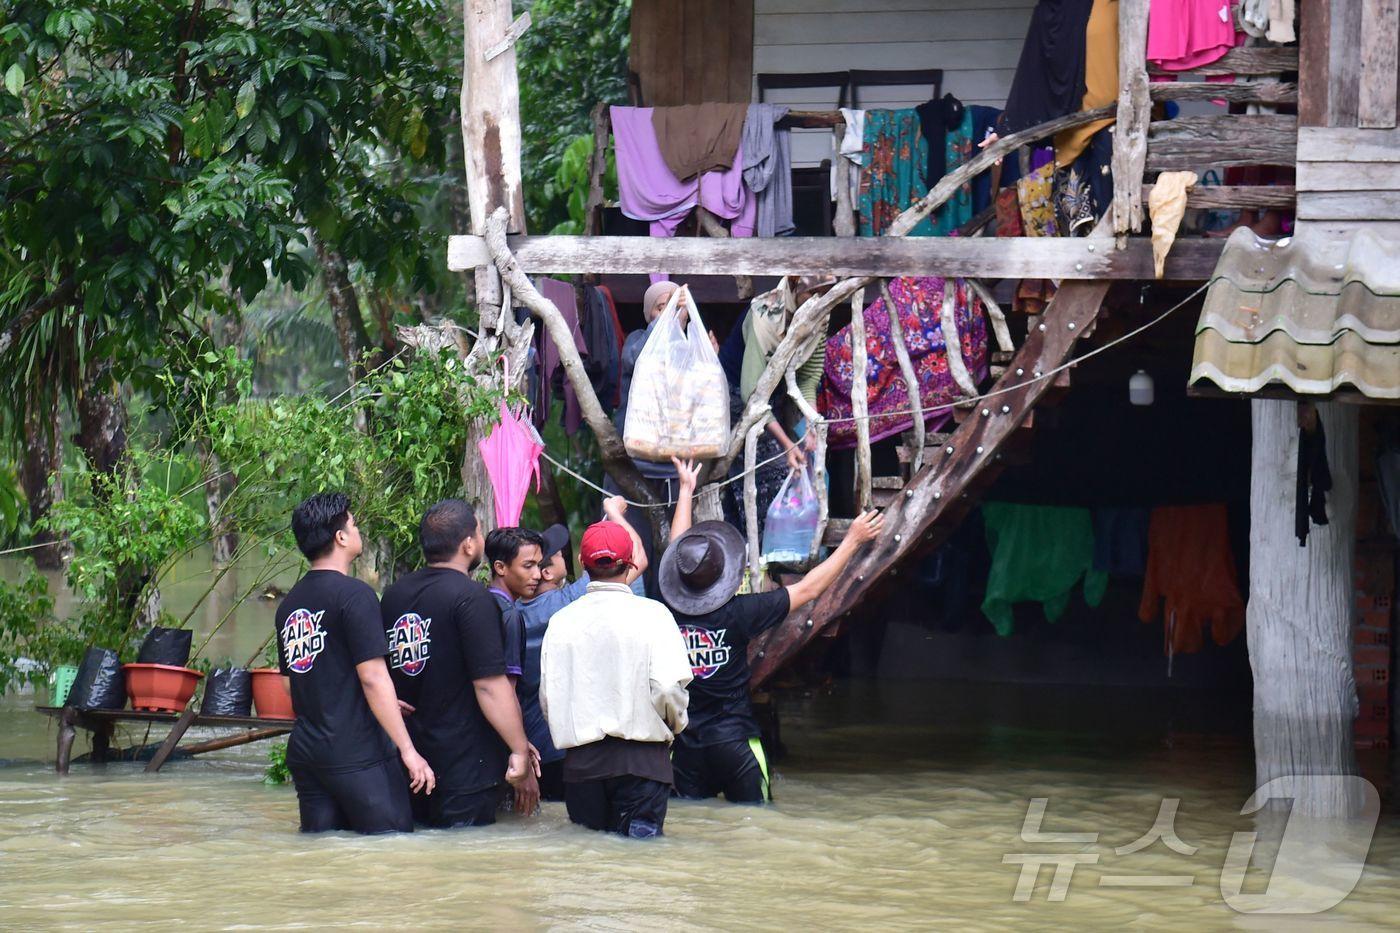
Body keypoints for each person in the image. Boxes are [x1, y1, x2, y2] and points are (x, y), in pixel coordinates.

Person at [659, 463, 885, 802]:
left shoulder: (667, 609)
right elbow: (808, 589)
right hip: (736, 744)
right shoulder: (739, 613)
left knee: (694, 826)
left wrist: (685, 491)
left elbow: (679, 550)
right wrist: (852, 541)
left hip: (686, 749)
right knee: (757, 822)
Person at [273, 492, 435, 834]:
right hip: (356, 752)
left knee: (325, 855)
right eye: (354, 523)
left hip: (308, 752)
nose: (358, 530)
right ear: (341, 537)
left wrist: (379, 704)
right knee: (392, 848)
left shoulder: (290, 605)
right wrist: (409, 750)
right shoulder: (354, 595)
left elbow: (292, 682)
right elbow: (373, 677)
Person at [380, 499, 540, 828]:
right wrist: (519, 749)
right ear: (468, 544)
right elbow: (490, 685)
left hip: (410, 762)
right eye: (479, 533)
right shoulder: (472, 598)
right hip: (465, 767)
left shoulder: (394, 594)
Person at [539, 520, 692, 838]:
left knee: (589, 869)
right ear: (631, 563)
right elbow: (666, 688)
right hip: (643, 765)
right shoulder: (655, 615)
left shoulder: (560, 622)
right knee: (639, 871)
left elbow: (549, 699)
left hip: (582, 768)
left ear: (583, 564)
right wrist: (674, 727)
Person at [514, 501, 649, 801]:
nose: (566, 557)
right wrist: (613, 513)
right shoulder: (567, 603)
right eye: (560, 555)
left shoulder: (515, 614)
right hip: (568, 747)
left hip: (534, 746)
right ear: (546, 573)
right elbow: (636, 558)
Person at [484, 527, 537, 683]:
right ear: (500, 567)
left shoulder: (481, 601)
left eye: (538, 565)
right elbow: (507, 686)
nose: (537, 575)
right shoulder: (509, 614)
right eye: (528, 566)